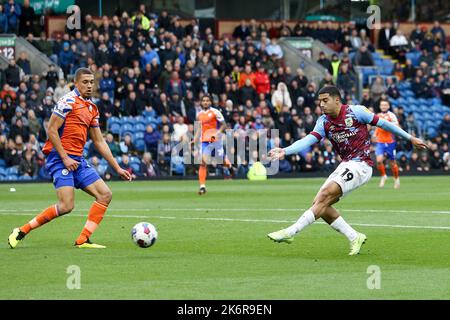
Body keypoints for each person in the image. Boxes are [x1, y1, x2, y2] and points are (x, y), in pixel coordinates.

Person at [267, 85, 427, 255]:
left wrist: (410, 138)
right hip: (346, 164)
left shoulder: (356, 112)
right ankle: (354, 236)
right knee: (320, 204)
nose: (321, 104)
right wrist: (285, 150)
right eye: (320, 101)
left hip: (362, 165)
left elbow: (384, 124)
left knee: (325, 195)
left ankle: (290, 232)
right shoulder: (324, 121)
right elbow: (308, 140)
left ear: (337, 100)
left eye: (325, 100)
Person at [8, 68, 132, 250]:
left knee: (105, 195)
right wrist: (65, 158)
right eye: (85, 82)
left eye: (91, 82)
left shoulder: (92, 108)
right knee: (66, 206)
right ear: (76, 83)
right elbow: (51, 129)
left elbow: (98, 140)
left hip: (77, 160)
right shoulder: (67, 101)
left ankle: (82, 240)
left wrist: (117, 167)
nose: (89, 85)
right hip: (59, 158)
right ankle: (21, 231)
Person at [191, 94, 231, 195]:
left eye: (207, 101)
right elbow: (199, 129)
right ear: (201, 102)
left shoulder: (215, 112)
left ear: (210, 102)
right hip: (204, 140)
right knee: (203, 162)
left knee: (220, 160)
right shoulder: (199, 115)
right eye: (203, 100)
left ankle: (225, 161)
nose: (205, 102)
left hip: (215, 139)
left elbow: (224, 125)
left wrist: (218, 133)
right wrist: (194, 140)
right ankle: (202, 187)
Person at [374, 100, 401, 189]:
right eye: (382, 105)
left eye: (385, 105)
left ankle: (396, 178)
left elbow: (397, 126)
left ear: (388, 106)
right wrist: (375, 134)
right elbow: (376, 127)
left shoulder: (392, 115)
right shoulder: (377, 115)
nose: (383, 106)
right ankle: (383, 175)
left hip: (390, 142)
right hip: (380, 141)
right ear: (380, 106)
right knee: (378, 160)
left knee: (392, 163)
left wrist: (388, 124)